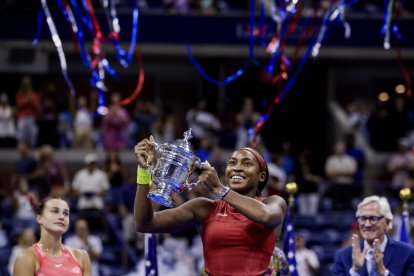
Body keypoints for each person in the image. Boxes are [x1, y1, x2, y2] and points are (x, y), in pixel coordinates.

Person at [133, 136, 287, 275]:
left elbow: (266, 215)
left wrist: (220, 189)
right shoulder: (204, 208)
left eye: (247, 164)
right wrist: (144, 171)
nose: (237, 168)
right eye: (232, 163)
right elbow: (145, 224)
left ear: (261, 176)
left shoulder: (273, 202)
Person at [332, 195, 414, 275]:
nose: (367, 224)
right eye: (362, 219)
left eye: (373, 219)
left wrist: (383, 272)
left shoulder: (407, 253)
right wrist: (355, 271)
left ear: (387, 223)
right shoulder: (343, 256)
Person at [13, 196, 91, 275]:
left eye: (66, 213)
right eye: (55, 211)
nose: (62, 217)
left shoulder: (82, 257)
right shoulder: (27, 258)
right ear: (39, 218)